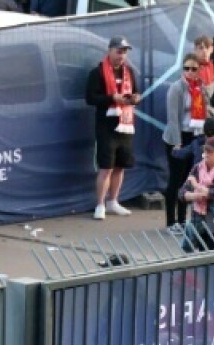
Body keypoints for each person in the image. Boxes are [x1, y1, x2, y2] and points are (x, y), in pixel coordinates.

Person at [86, 36, 141, 220]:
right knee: (106, 167)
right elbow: (90, 98)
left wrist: (135, 98)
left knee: (120, 166)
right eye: (119, 51)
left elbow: (135, 92)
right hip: (106, 126)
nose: (122, 56)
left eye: (124, 52)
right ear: (110, 51)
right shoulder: (98, 72)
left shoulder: (129, 72)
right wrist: (112, 98)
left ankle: (113, 201)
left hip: (125, 124)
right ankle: (100, 204)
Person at [164, 55, 211, 231]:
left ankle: (183, 220)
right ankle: (171, 221)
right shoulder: (176, 88)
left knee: (188, 180)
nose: (190, 72)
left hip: (194, 136)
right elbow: (173, 118)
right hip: (177, 137)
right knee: (175, 180)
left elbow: (206, 112)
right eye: (186, 68)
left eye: (193, 68)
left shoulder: (201, 88)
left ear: (199, 70)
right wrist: (176, 144)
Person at [179, 136, 214, 252]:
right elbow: (182, 193)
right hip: (200, 222)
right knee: (202, 255)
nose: (206, 154)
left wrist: (196, 186)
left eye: (210, 151)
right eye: (205, 150)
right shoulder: (198, 168)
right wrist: (195, 195)